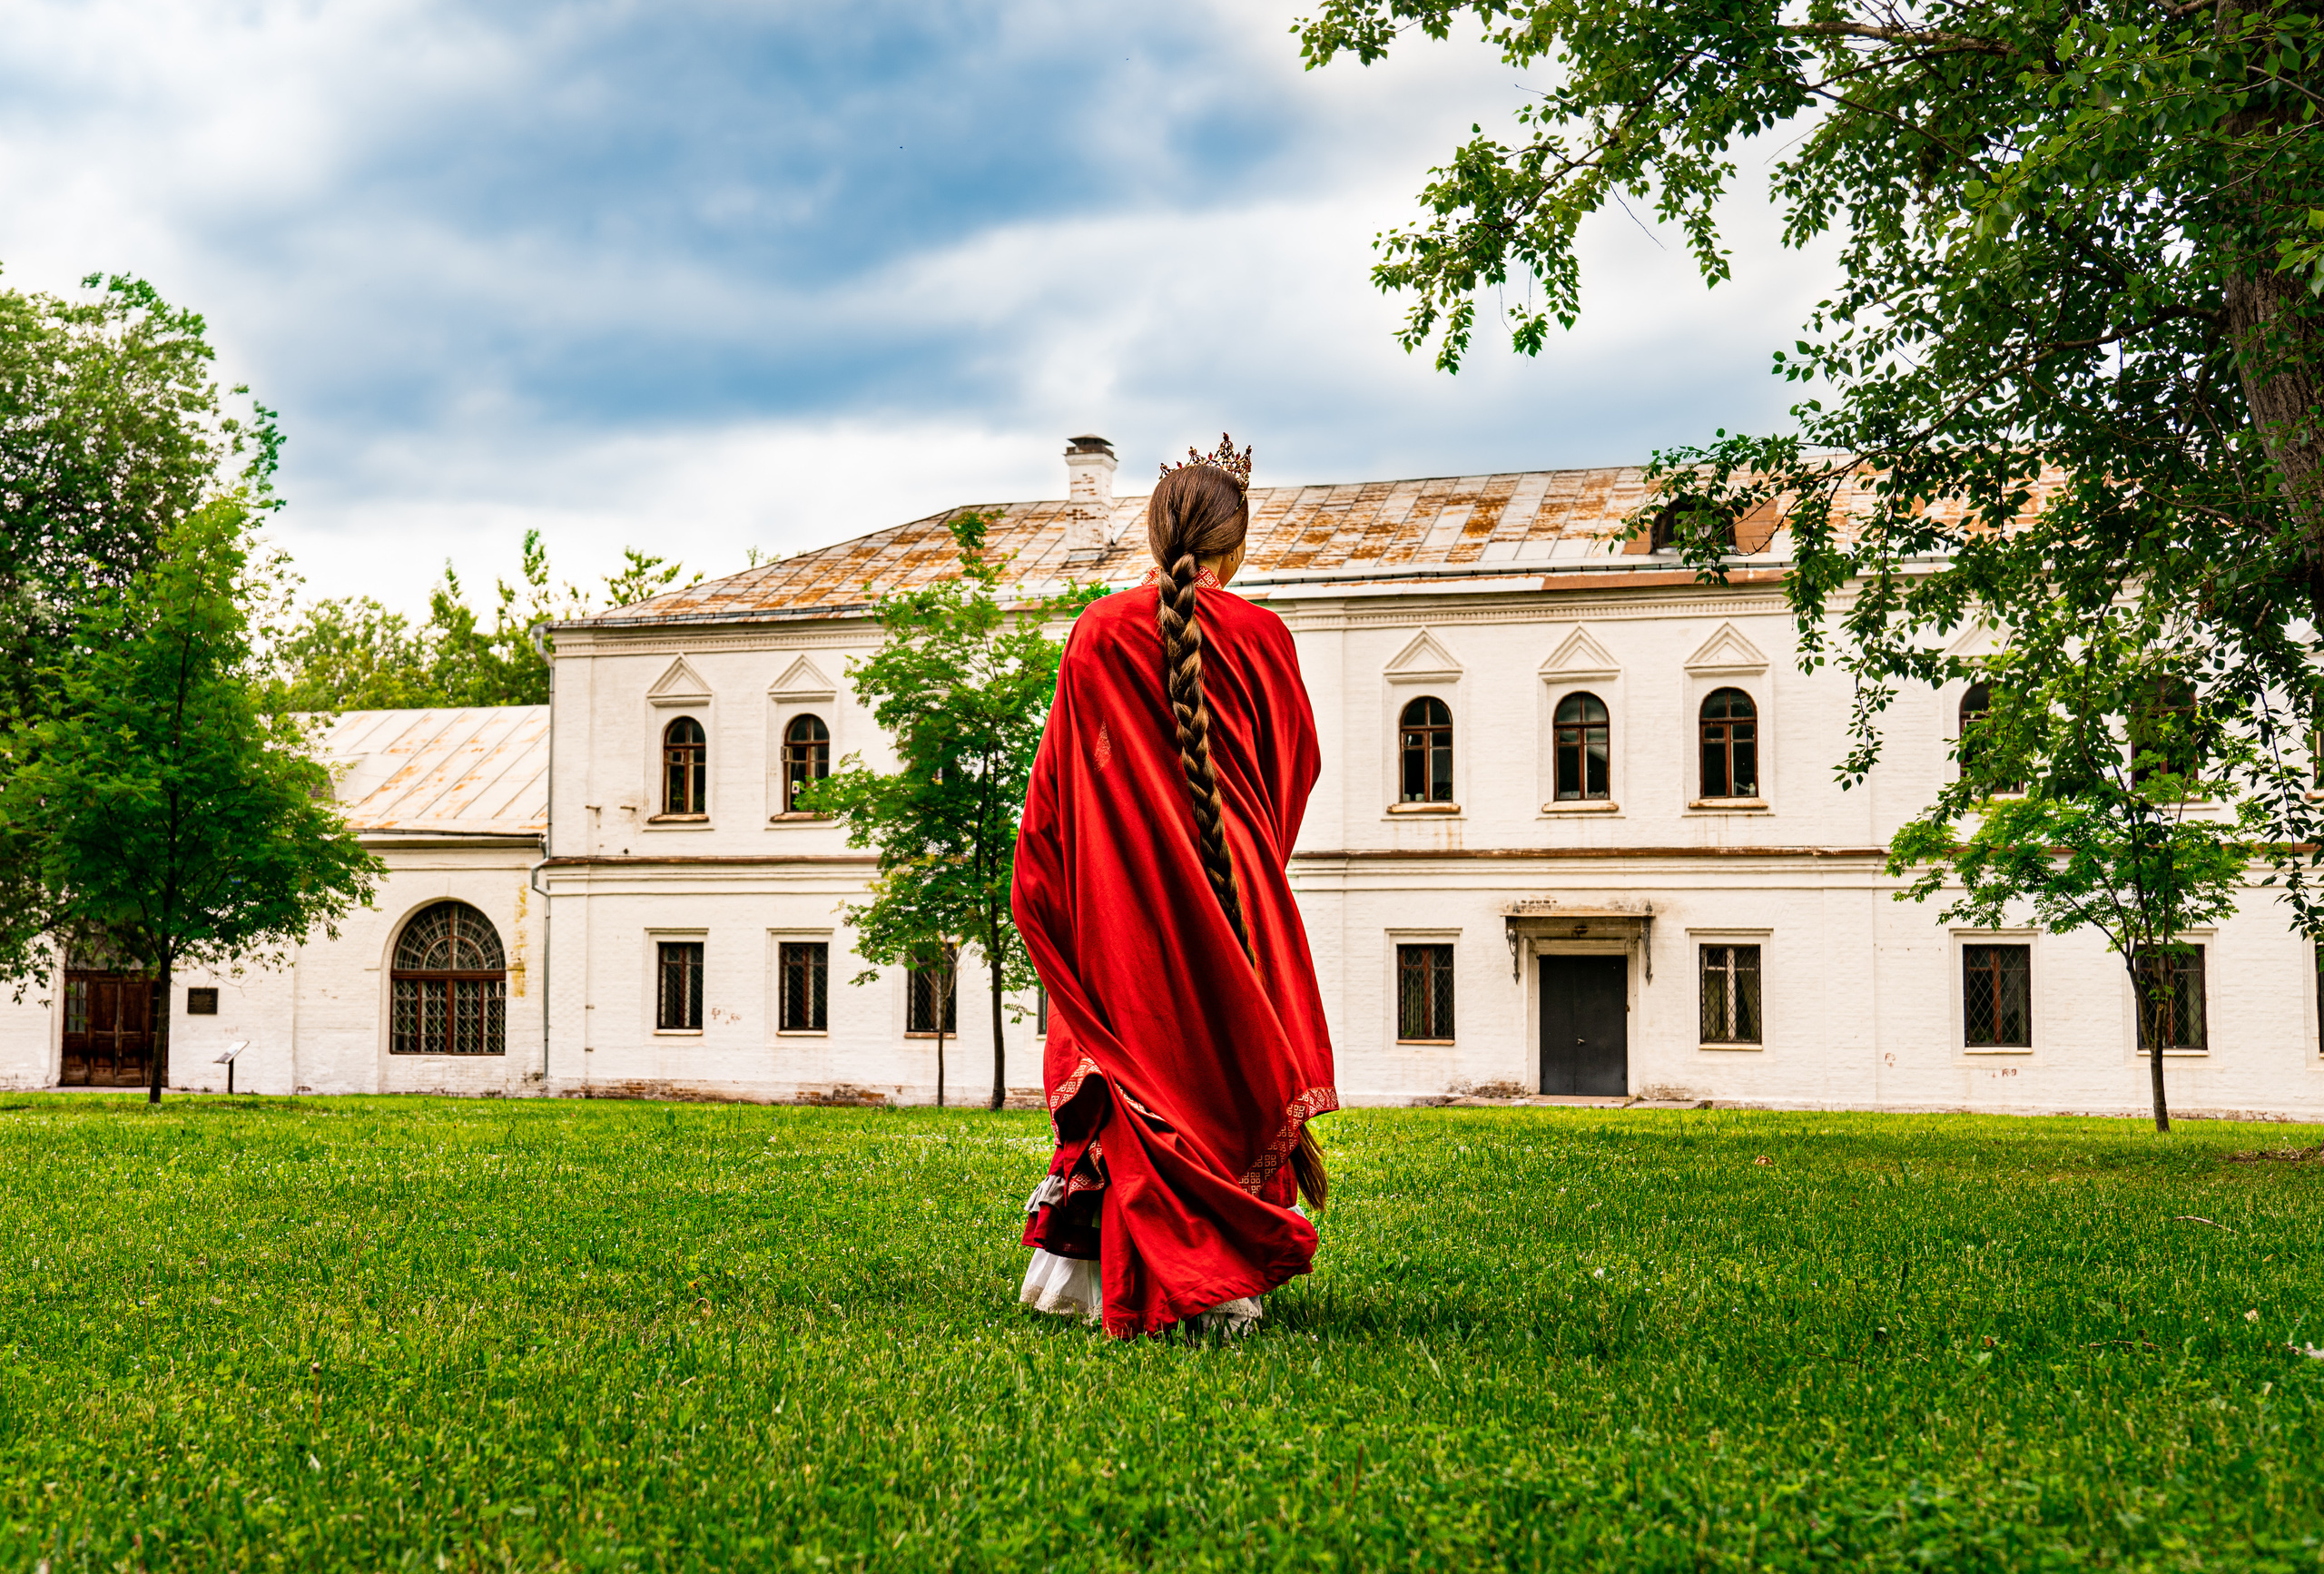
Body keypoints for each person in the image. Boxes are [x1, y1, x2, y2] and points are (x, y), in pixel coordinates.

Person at [1012, 435, 1336, 1339]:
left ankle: (1103, 1273)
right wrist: (1245, 849)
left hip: (1125, 908)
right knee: (1227, 1069)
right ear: (1238, 546)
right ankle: (1224, 1274)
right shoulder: (1265, 636)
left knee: (1142, 1069)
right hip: (1238, 899)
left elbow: (1060, 792)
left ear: (1154, 539)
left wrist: (1068, 890)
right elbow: (1293, 770)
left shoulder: (1096, 633)